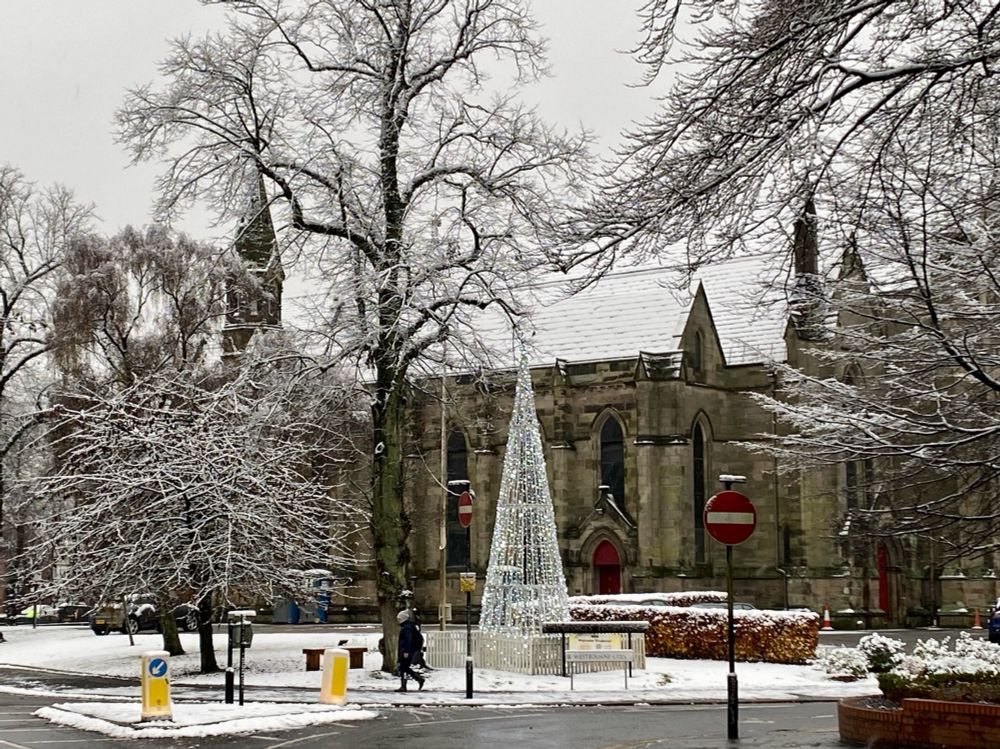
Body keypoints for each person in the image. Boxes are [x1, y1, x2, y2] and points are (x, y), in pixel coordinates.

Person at [395, 610, 425, 692]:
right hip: (409, 650)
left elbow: (408, 640)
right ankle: (418, 679)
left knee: (403, 667)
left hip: (407, 651)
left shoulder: (407, 627)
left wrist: (406, 651)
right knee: (404, 667)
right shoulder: (409, 626)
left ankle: (405, 685)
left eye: (399, 618)